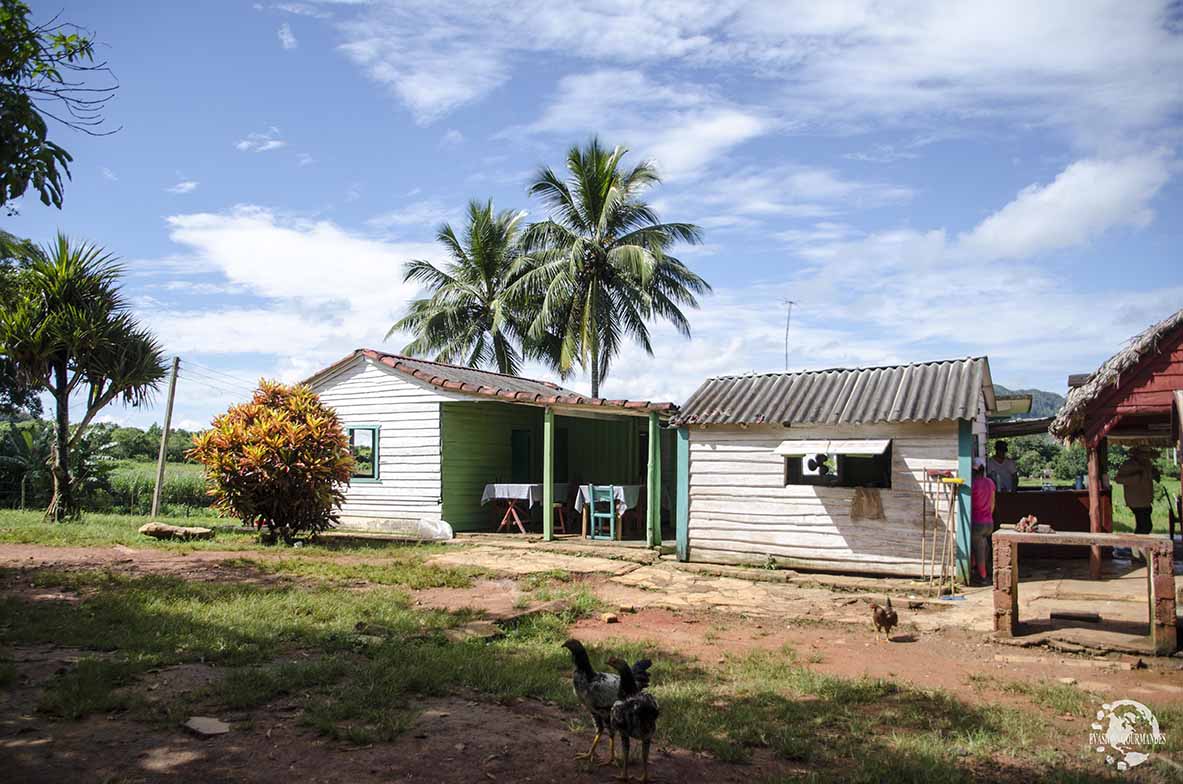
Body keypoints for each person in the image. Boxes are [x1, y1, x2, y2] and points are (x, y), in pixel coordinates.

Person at [1114, 447, 1161, 535]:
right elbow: (1118, 479)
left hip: (1146, 499)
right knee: (1145, 526)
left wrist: (1155, 475)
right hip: (1136, 500)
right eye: (1143, 454)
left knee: (1144, 526)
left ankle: (1139, 546)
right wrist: (1135, 477)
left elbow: (1151, 477)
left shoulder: (1147, 464)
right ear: (1137, 454)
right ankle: (1137, 545)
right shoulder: (1128, 465)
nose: (1146, 457)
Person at [970, 457, 997, 586]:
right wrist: (988, 516)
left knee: (979, 550)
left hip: (977, 522)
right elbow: (992, 504)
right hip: (989, 522)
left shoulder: (973, 484)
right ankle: (981, 569)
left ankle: (983, 576)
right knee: (985, 548)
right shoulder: (990, 482)